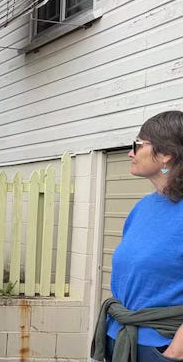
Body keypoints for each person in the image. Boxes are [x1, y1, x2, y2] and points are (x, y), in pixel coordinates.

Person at [91, 111, 183, 362]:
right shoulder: (142, 208)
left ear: (166, 154)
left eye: (138, 145)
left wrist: (174, 353)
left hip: (162, 347)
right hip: (119, 339)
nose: (131, 153)